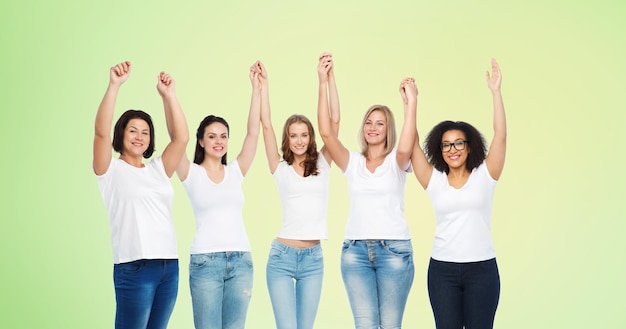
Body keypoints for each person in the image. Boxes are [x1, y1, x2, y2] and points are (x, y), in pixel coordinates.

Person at [317, 53, 417, 328]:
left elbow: (408, 146)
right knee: (365, 325)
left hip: (394, 252)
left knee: (390, 325)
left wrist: (410, 103)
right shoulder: (353, 163)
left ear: (389, 130)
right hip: (355, 252)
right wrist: (323, 81)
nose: (372, 128)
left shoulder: (397, 161)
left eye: (380, 123)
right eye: (368, 122)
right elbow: (326, 133)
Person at [410, 58, 506, 329]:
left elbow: (500, 136)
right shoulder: (435, 179)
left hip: (482, 270)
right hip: (442, 271)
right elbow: (413, 144)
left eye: (458, 143)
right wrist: (411, 103)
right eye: (446, 145)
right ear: (439, 150)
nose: (453, 149)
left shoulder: (486, 175)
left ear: (469, 145)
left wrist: (496, 92)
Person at [93, 61, 189, 329]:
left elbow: (181, 139)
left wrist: (169, 96)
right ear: (121, 134)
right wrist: (114, 85)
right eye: (133, 130)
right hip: (134, 267)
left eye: (145, 132)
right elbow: (100, 132)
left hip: (168, 267)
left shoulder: (158, 169)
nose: (139, 137)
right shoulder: (109, 170)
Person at [176, 61, 262, 329]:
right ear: (201, 140)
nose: (219, 141)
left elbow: (252, 133)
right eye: (211, 136)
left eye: (223, 136)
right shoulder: (189, 172)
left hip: (241, 262)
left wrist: (256, 89)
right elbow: (177, 137)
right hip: (205, 263)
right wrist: (171, 96)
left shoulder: (236, 171)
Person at [258, 59, 337, 329]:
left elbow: (334, 122)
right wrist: (263, 86)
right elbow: (266, 125)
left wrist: (324, 81)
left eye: (304, 135)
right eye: (294, 135)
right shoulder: (279, 167)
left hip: (314, 259)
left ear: (311, 138)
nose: (300, 140)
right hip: (281, 257)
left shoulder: (323, 164)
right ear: (287, 139)